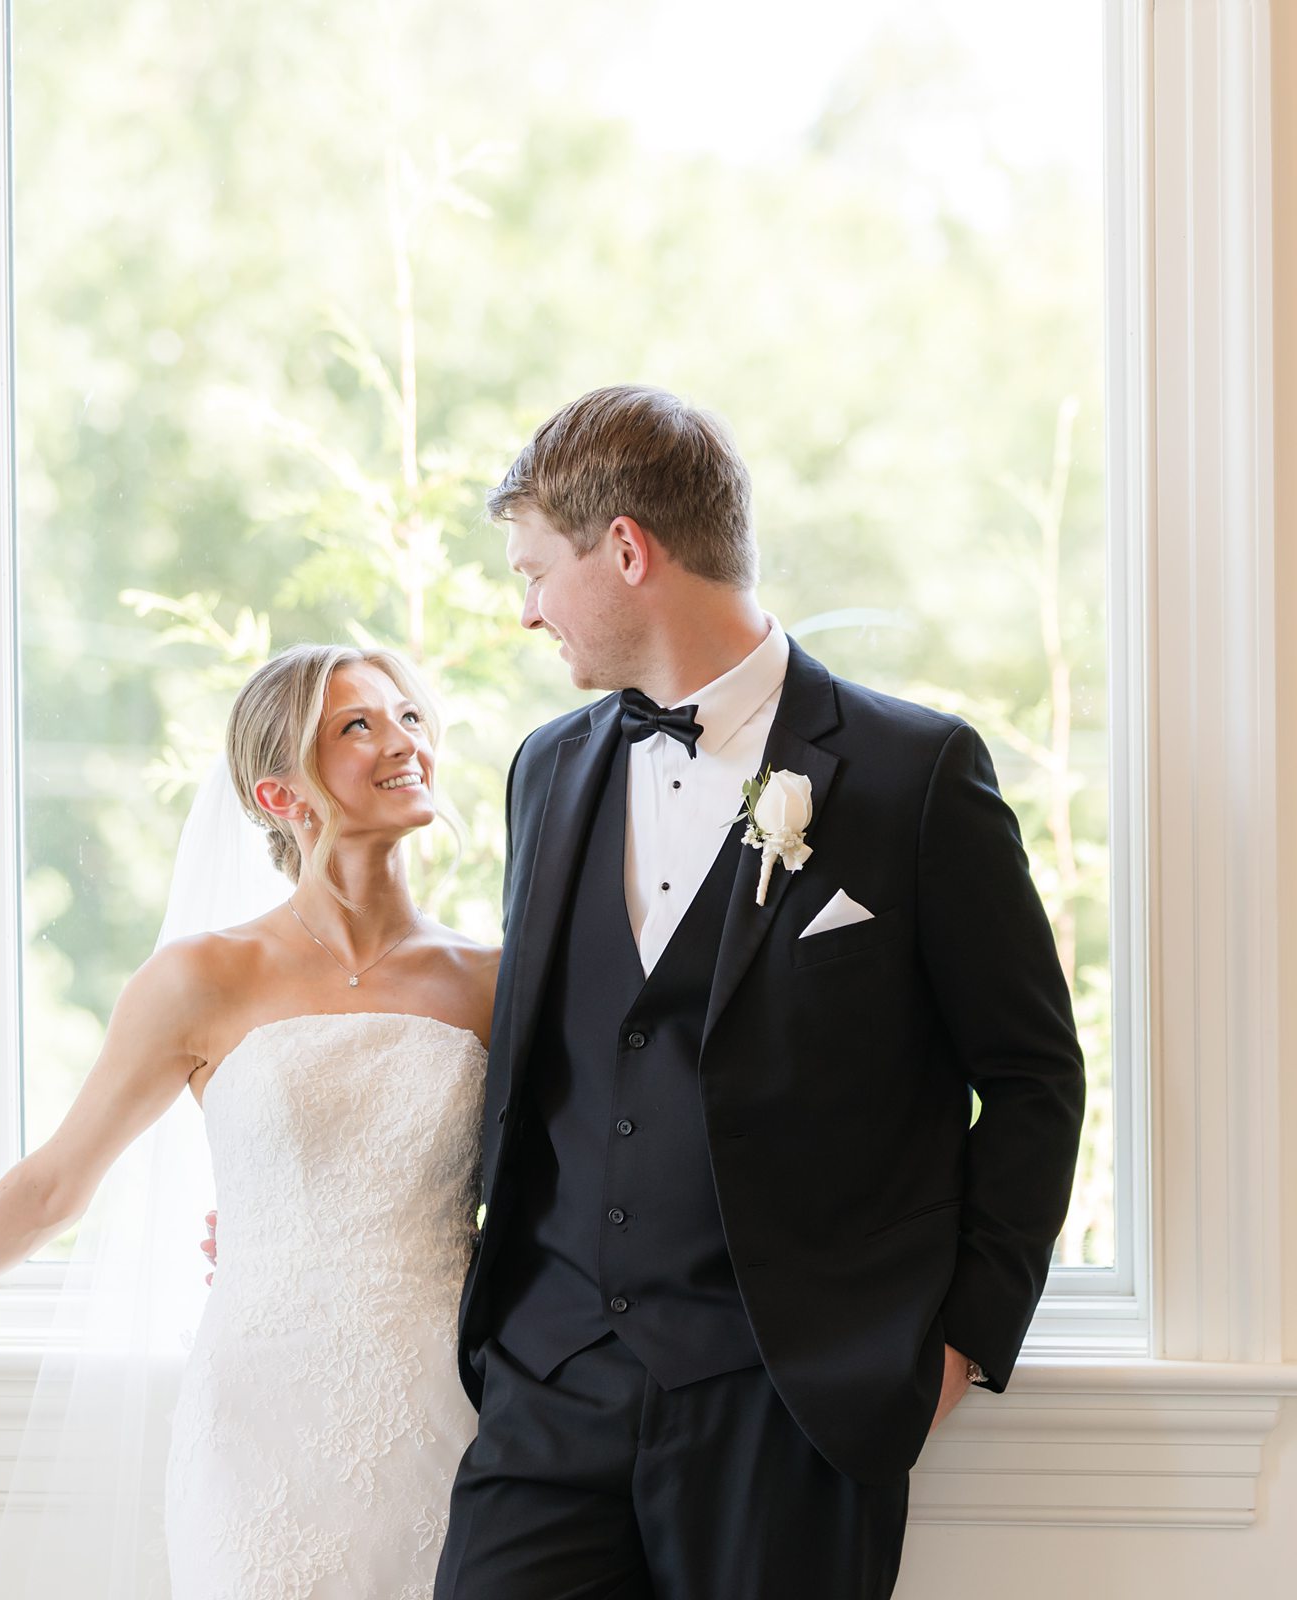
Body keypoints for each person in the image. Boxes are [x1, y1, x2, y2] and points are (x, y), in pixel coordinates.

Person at [207, 385, 1090, 1599]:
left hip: (786, 1406)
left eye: (533, 573)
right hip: (548, 1389)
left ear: (625, 550)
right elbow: (550, 1061)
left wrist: (956, 1347)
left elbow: (1035, 1079)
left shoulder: (913, 773)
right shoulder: (549, 769)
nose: (525, 614)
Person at [0, 644, 499, 1599]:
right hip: (260, 1421)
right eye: (356, 726)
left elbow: (553, 1197)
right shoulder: (201, 979)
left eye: (407, 717)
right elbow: (53, 1186)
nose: (402, 742)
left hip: (450, 1408)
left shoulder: (492, 983)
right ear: (281, 795)